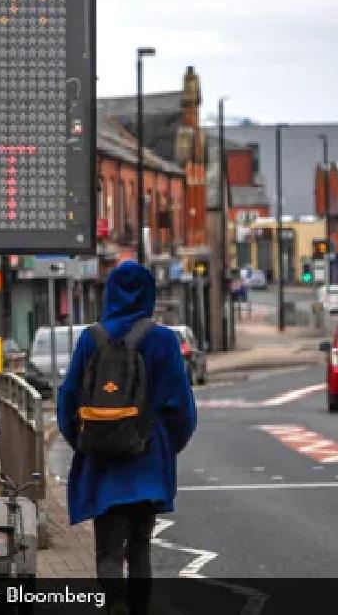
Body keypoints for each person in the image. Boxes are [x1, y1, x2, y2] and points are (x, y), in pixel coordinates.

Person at [57, 261, 197, 614]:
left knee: (107, 549)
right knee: (139, 546)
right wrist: (166, 446)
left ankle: (114, 603)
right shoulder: (163, 340)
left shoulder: (90, 339)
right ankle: (137, 608)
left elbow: (67, 402)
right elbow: (182, 410)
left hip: (101, 463)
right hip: (147, 460)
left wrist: (88, 441)